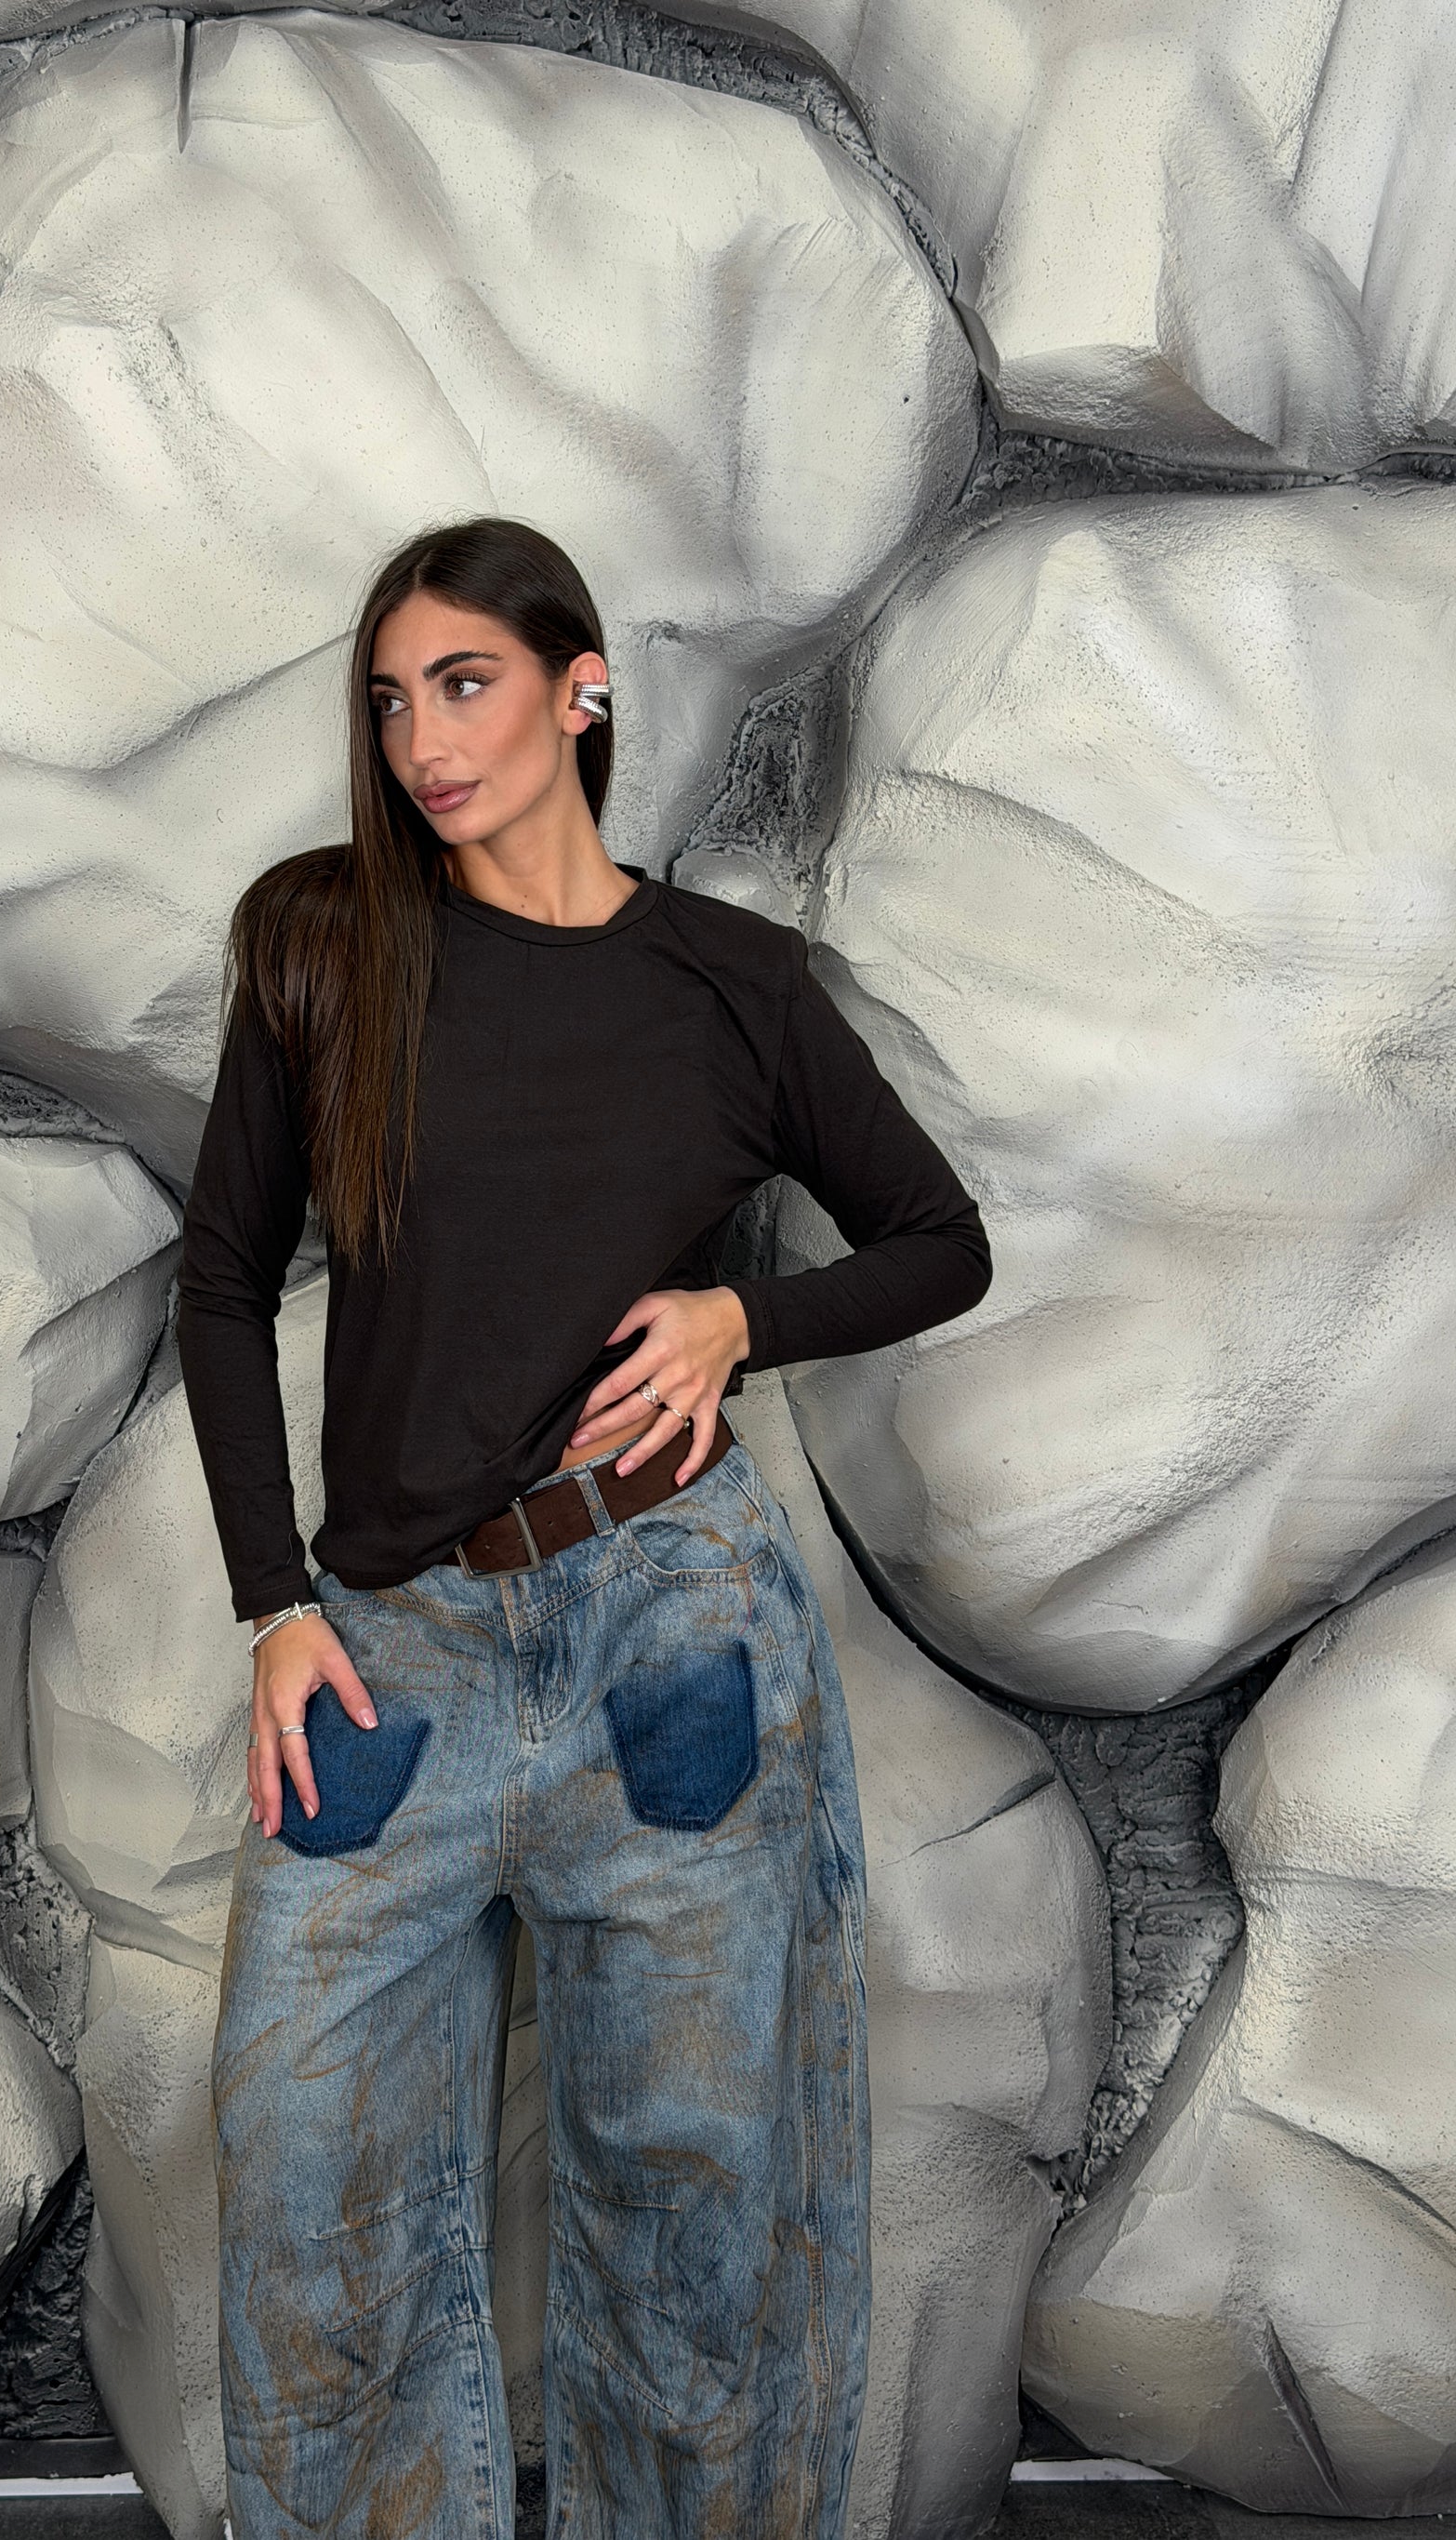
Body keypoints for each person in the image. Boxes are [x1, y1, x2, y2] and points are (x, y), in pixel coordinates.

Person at [177, 515, 992, 2539]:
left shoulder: (731, 985)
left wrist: (742, 1319)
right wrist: (275, 1606)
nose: (423, 742)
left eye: (465, 685)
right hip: (388, 1646)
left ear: (581, 687)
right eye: (392, 702)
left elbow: (939, 1239)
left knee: (693, 2212)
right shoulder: (324, 946)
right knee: (307, 2188)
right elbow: (219, 1283)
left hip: (667, 1622)